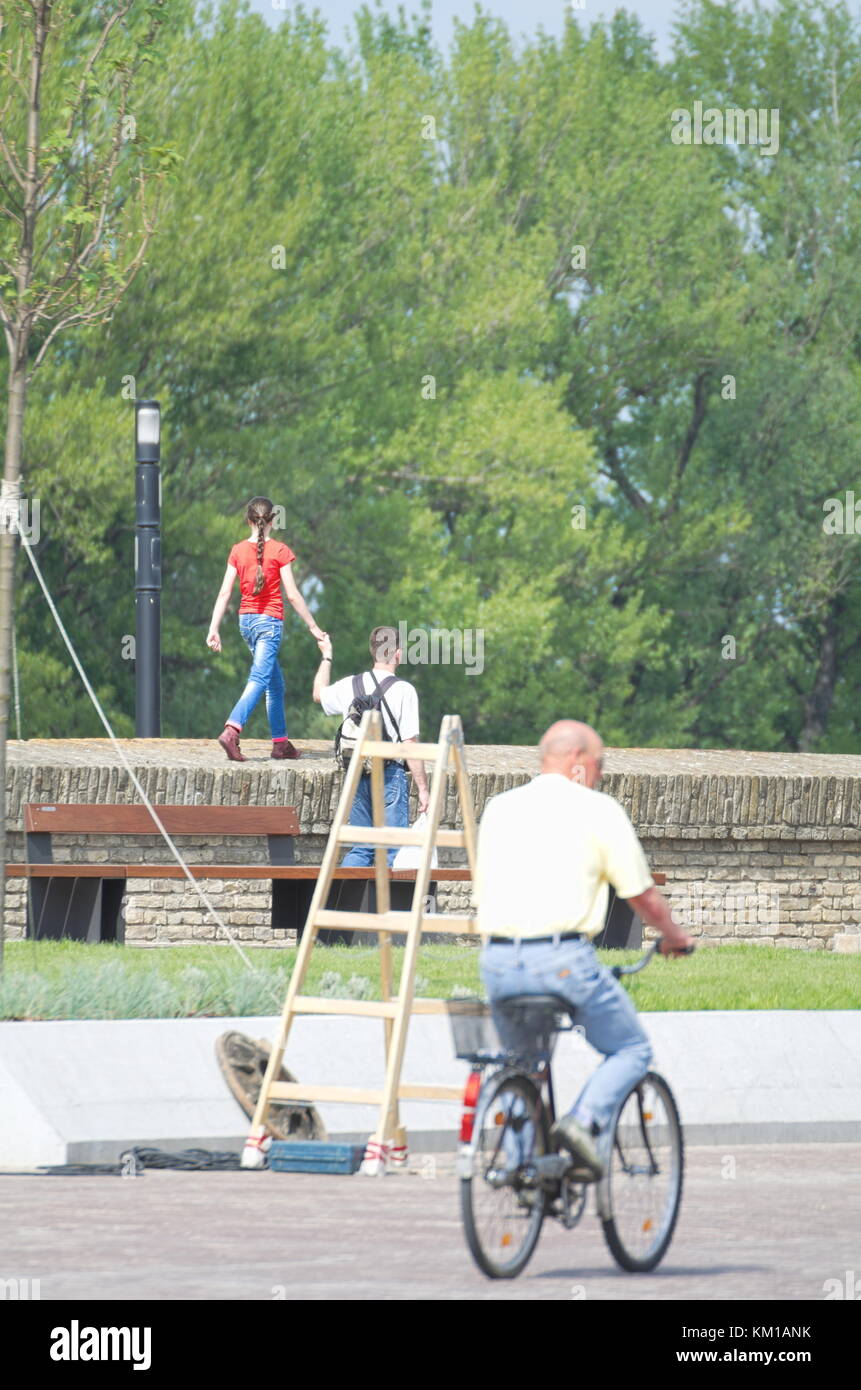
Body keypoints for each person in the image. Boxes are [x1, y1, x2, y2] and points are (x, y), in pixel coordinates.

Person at [475, 719, 694, 1179]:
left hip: (496, 962)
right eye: (600, 766)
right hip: (560, 961)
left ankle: (522, 1169)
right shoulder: (598, 810)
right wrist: (675, 936)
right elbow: (642, 895)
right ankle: (581, 1122)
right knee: (631, 1048)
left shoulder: (499, 807)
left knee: (523, 1065)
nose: (600, 776)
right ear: (578, 760)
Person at [207, 496, 328, 761]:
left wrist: (214, 628)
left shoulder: (237, 550)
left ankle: (280, 743)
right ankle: (232, 730)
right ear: (272, 520)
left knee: (275, 684)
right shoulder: (280, 551)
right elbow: (294, 595)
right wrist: (313, 627)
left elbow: (225, 592)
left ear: (248, 521)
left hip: (246, 623)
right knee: (260, 679)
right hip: (269, 624)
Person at [312, 626, 429, 865]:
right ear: (398, 653)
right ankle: (388, 904)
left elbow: (318, 694)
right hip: (390, 776)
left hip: (356, 774)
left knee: (361, 849)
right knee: (392, 853)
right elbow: (410, 744)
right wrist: (423, 789)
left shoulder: (350, 685)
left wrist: (327, 655)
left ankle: (345, 902)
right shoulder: (405, 690)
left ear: (372, 651)